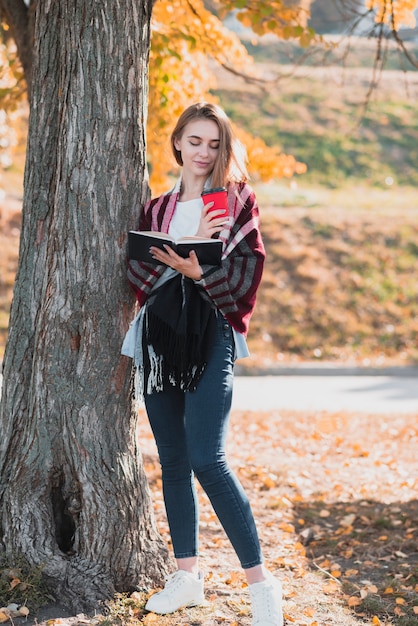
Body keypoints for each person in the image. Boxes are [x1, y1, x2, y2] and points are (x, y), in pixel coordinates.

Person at [123, 102, 283, 626]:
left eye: (214, 144)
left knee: (207, 458)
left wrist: (195, 271)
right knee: (171, 458)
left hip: (212, 331)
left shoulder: (235, 202)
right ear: (177, 143)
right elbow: (135, 273)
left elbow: (246, 271)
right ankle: (187, 577)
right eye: (194, 141)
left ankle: (262, 587)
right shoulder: (157, 209)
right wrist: (167, 263)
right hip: (159, 335)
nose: (203, 152)